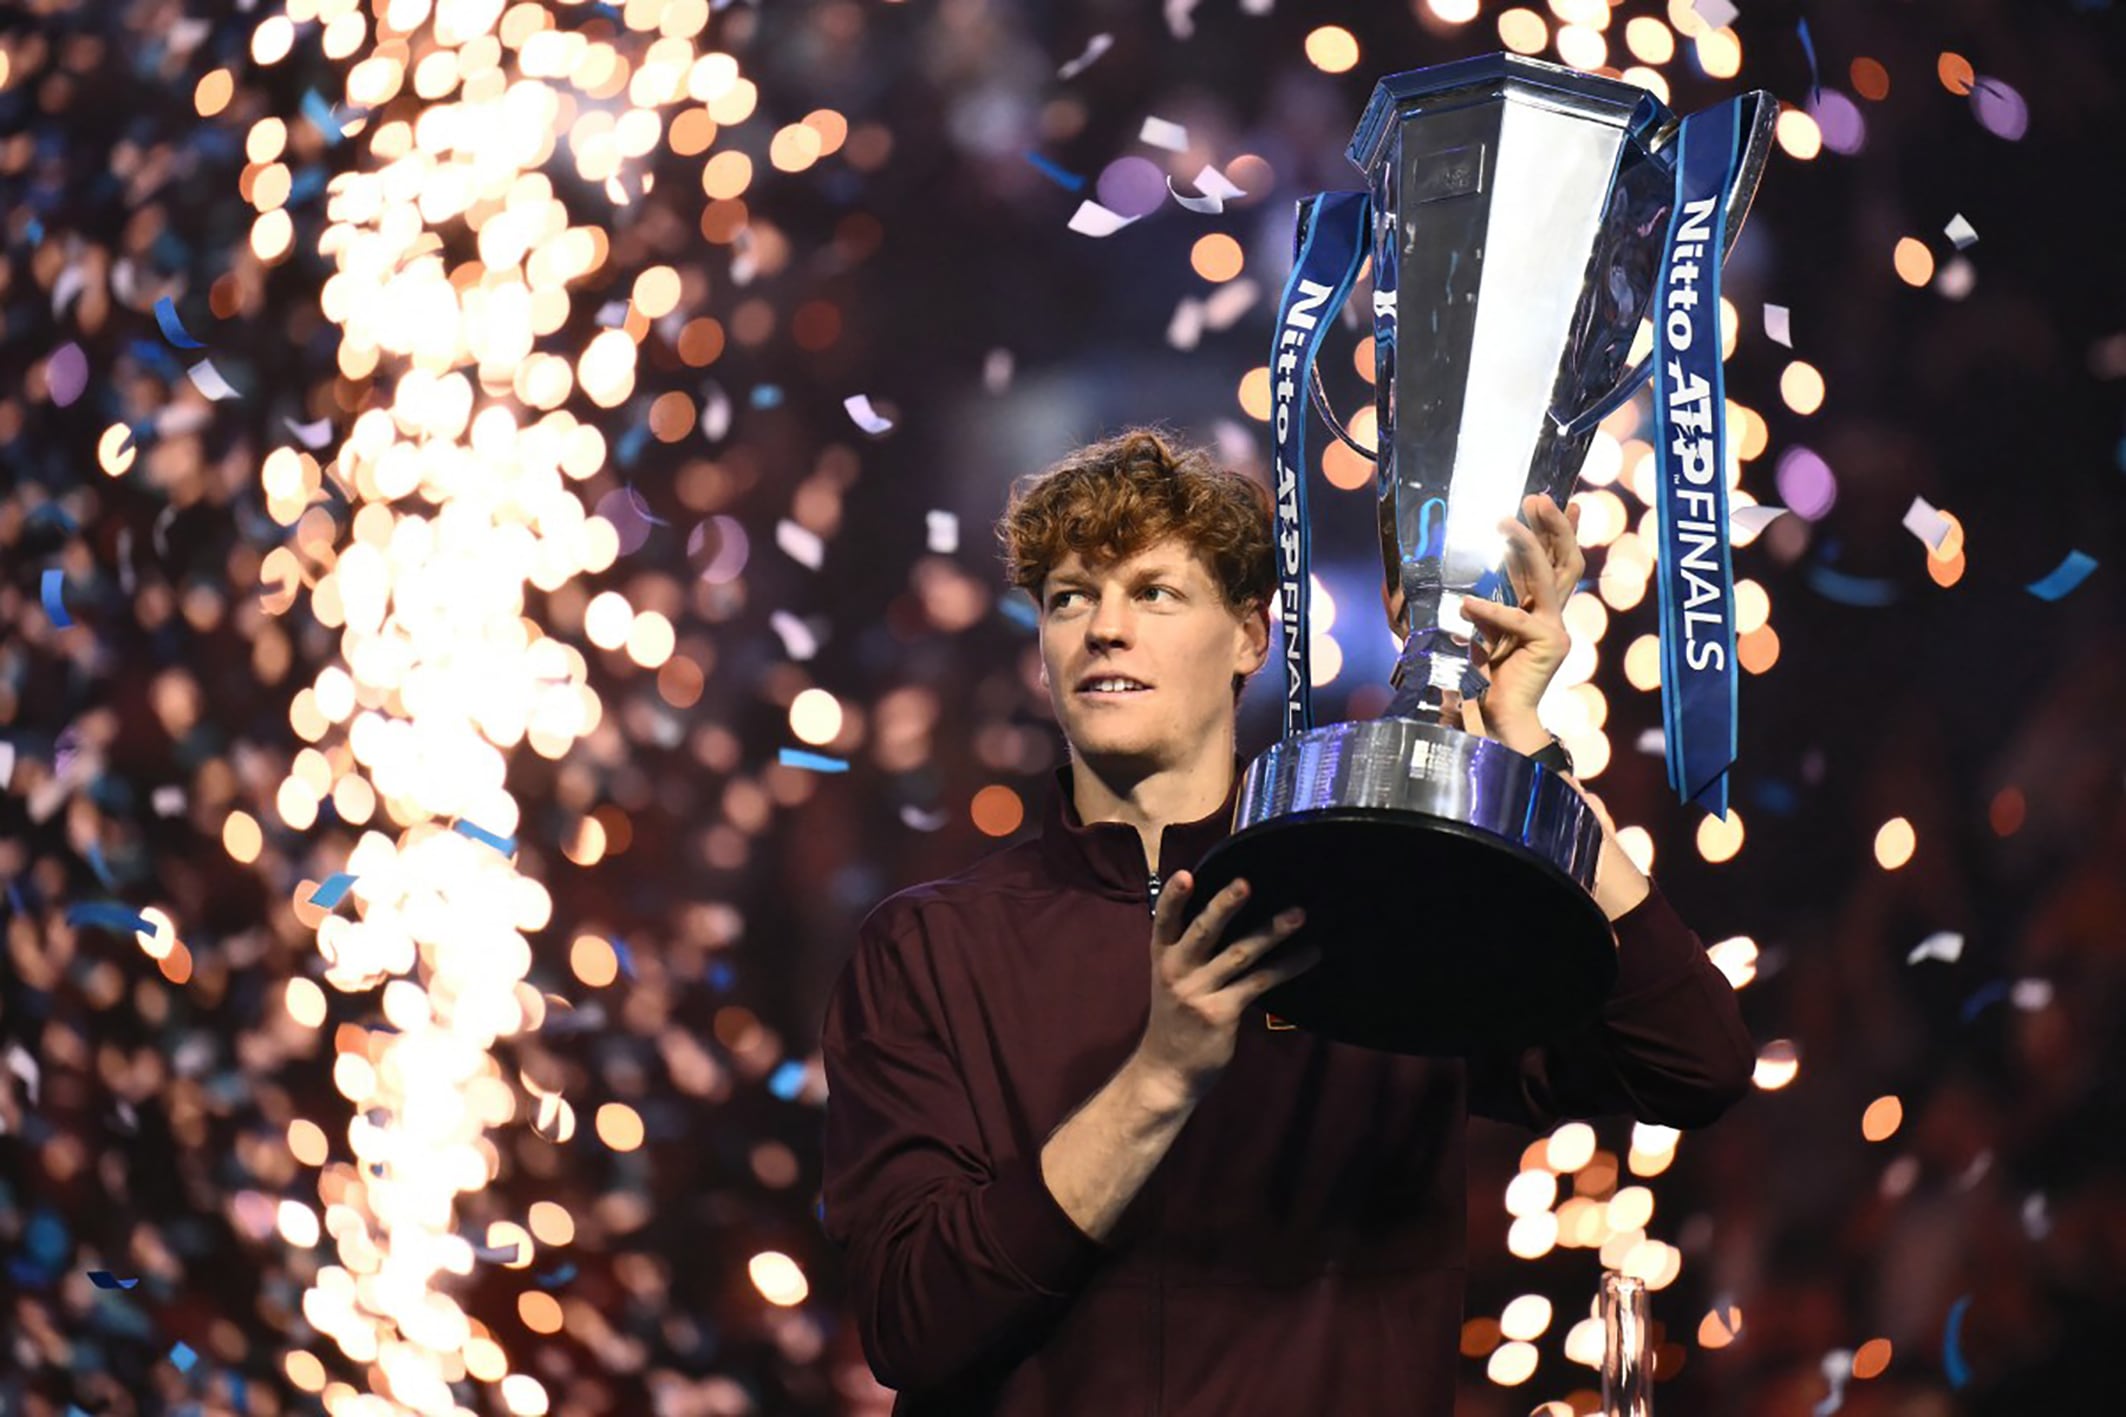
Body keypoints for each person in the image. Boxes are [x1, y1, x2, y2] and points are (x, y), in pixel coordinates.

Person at [819, 427, 1755, 1415]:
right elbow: (912, 1326)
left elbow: (1693, 1060)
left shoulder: (1368, 898)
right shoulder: (927, 946)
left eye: (1153, 592)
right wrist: (1158, 1078)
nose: (1102, 626)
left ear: (1249, 637)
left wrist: (1529, 765)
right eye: (1068, 598)